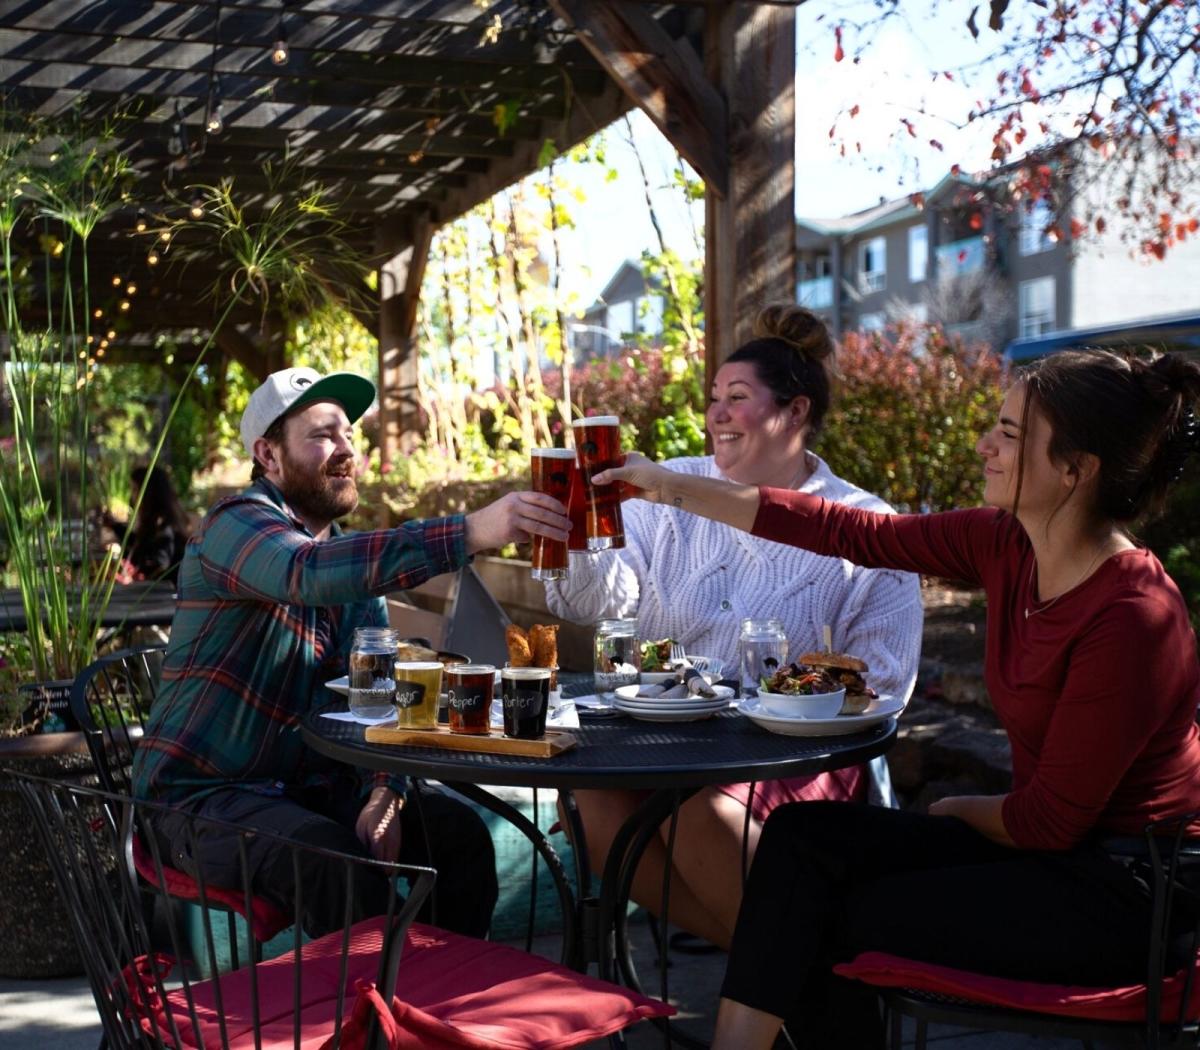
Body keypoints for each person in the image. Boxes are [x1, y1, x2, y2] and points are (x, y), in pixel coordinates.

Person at [596, 348, 1200, 1048]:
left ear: (1076, 468)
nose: (985, 445)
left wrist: (948, 810)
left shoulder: (1133, 615)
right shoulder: (1005, 543)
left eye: (1009, 433)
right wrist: (665, 485)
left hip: (1124, 893)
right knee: (799, 843)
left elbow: (1051, 823)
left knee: (828, 908)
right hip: (1042, 853)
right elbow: (847, 529)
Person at [132, 366, 571, 939]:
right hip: (197, 799)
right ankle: (378, 1021)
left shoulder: (346, 562)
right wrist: (470, 531)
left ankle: (432, 1010)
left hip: (305, 792)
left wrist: (384, 790)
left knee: (456, 837)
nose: (345, 451)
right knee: (335, 863)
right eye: (321, 436)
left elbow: (377, 697)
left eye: (348, 436)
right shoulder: (233, 527)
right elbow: (304, 573)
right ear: (268, 455)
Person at [545, 304, 923, 950]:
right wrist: (580, 533)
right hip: (668, 743)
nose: (716, 413)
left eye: (738, 398)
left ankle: (777, 983)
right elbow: (596, 601)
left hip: (793, 758)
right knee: (589, 797)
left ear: (795, 413)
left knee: (692, 807)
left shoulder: (860, 521)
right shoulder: (667, 489)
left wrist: (788, 700)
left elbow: (883, 684)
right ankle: (800, 970)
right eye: (714, 397)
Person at [108, 465, 191, 584]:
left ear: (148, 493)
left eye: (135, 489)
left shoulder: (162, 524)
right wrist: (115, 526)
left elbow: (158, 563)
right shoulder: (158, 521)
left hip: (166, 594)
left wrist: (135, 578)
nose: (133, 495)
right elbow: (141, 547)